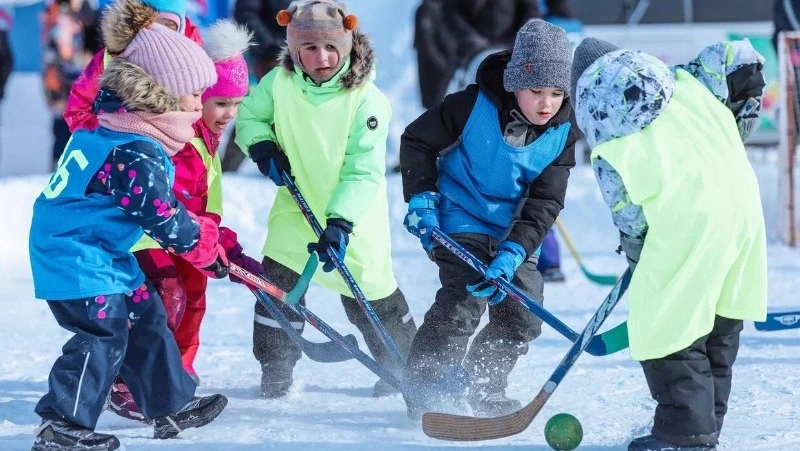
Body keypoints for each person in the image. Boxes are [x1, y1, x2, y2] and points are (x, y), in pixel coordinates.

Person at [28, 0, 228, 448]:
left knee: (146, 316)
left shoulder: (118, 126)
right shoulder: (133, 147)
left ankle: (170, 404)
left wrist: (202, 243)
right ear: (164, 94)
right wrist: (204, 247)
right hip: (75, 253)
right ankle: (62, 425)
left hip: (101, 248)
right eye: (195, 95)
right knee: (104, 332)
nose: (200, 107)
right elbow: (161, 216)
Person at [570, 37, 767, 451]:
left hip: (686, 224)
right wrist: (747, 96)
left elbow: (625, 206)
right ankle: (705, 424)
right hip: (743, 212)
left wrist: (637, 247)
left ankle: (685, 434)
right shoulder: (687, 86)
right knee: (719, 324)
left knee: (667, 324)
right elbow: (734, 57)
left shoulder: (609, 131)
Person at [235, 0, 418, 399]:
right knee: (277, 289)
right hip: (296, 207)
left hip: (351, 219)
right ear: (294, 49)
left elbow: (362, 170)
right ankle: (275, 370)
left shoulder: (367, 101)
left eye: (332, 47)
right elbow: (250, 116)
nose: (322, 58)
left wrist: (340, 222)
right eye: (310, 48)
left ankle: (406, 371)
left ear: (347, 46)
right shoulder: (279, 83)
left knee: (370, 296)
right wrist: (262, 145)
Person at [399, 19, 577, 418]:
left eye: (556, 93)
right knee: (463, 301)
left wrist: (513, 254)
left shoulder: (563, 133)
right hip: (460, 216)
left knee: (523, 315)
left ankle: (485, 384)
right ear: (515, 83)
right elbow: (417, 140)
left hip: (513, 230)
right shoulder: (470, 105)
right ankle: (426, 390)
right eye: (536, 91)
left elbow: (545, 202)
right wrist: (422, 198)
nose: (547, 104)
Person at [107, 18, 262, 423]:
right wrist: (213, 244)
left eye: (237, 103)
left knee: (193, 295)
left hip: (190, 236)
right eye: (221, 102)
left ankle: (175, 375)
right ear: (197, 96)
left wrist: (228, 247)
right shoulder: (178, 137)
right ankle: (126, 383)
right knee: (166, 294)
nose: (230, 114)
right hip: (148, 236)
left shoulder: (207, 137)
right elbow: (169, 205)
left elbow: (204, 205)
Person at [63, 0, 203, 133]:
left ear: (181, 28)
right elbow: (77, 109)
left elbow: (201, 116)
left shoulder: (192, 66)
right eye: (153, 25)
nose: (160, 34)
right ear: (137, 24)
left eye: (169, 26)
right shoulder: (112, 56)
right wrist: (105, 135)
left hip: (169, 146)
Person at [221, 0, 292, 172]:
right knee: (259, 109)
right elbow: (245, 14)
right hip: (269, 57)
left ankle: (290, 166)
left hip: (306, 56)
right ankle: (229, 168)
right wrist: (270, 46)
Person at [41, 0, 99, 168]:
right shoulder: (60, 16)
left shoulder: (85, 14)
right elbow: (56, 57)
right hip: (64, 86)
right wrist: (54, 94)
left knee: (79, 130)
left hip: (81, 86)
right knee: (64, 129)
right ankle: (61, 168)